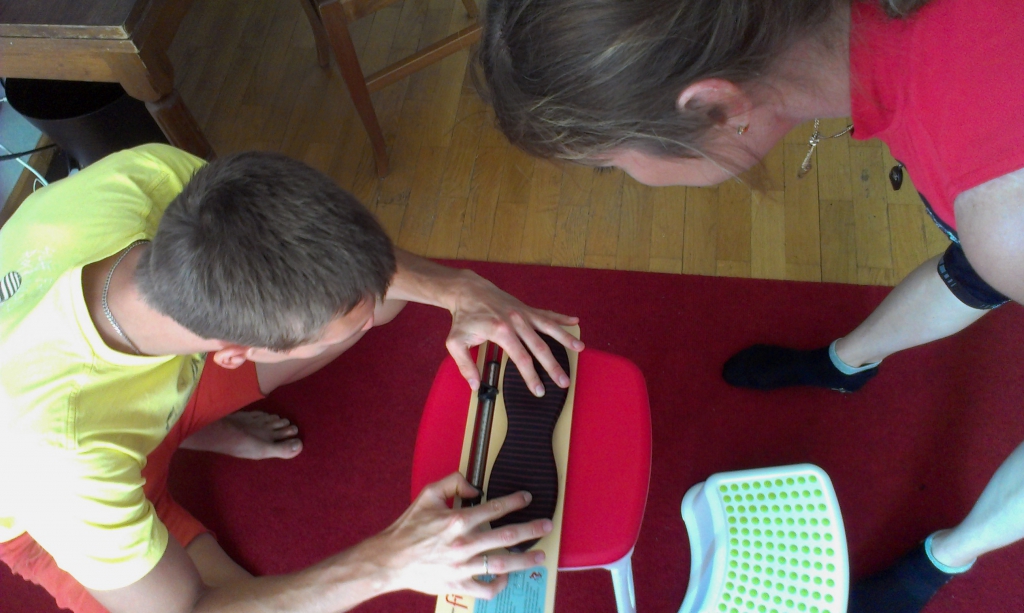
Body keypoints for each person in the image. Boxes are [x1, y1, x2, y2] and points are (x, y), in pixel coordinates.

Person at [476, 0, 1024, 611]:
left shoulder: (1006, 218)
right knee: (975, 270)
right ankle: (845, 365)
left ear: (715, 106)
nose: (620, 173)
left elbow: (1002, 237)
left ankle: (947, 555)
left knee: (988, 257)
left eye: (610, 165)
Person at [0, 144, 587, 613]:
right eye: (337, 332)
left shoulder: (154, 179)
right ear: (234, 354)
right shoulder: (63, 462)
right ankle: (174, 431)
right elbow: (189, 608)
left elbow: (324, 263)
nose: (364, 324)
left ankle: (187, 427)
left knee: (384, 300)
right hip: (46, 503)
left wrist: (457, 288)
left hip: (122, 401)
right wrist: (388, 562)